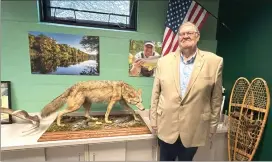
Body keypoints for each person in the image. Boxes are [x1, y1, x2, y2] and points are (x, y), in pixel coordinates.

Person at [150, 22, 223, 161]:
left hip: (194, 128)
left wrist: (213, 126)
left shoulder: (214, 62)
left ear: (197, 36)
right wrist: (154, 119)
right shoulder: (163, 62)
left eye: (189, 33)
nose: (185, 36)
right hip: (166, 126)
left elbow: (216, 98)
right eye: (181, 34)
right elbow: (155, 93)